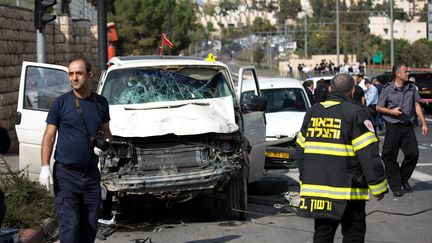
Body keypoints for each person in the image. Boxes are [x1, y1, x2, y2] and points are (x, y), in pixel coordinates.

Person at [295, 73, 388, 242]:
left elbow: (300, 150)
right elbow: (368, 154)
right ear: (352, 91)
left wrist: (304, 179)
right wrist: (378, 186)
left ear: (331, 89)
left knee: (322, 235)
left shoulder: (313, 112)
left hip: (319, 191)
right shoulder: (356, 113)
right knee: (353, 235)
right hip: (348, 192)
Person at [39, 57, 113, 243]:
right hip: (66, 176)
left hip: (90, 176)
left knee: (89, 229)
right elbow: (49, 135)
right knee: (69, 228)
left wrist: (105, 147)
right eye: (70, 74)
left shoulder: (101, 103)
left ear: (89, 75)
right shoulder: (60, 103)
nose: (74, 78)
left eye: (78, 73)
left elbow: (107, 133)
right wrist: (44, 166)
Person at [376, 62, 428, 197]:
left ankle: (403, 178)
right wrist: (391, 112)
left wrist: (423, 123)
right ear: (398, 74)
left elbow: (416, 105)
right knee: (389, 156)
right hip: (392, 126)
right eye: (405, 71)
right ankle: (395, 185)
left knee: (413, 154)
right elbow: (378, 107)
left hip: (407, 126)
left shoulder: (412, 88)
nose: (408, 73)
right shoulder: (387, 89)